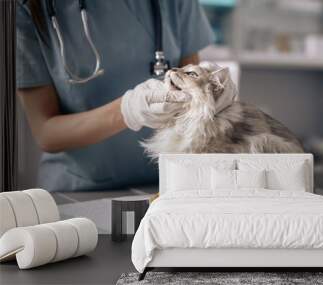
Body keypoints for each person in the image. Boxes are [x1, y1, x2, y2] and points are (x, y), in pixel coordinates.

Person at [16, 0, 216, 191]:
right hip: (80, 192)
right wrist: (128, 109)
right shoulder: (25, 8)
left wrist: (212, 99)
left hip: (167, 185)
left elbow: (191, 85)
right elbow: (45, 133)